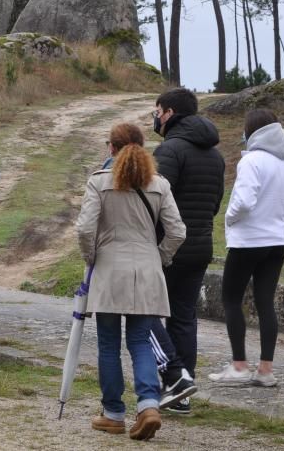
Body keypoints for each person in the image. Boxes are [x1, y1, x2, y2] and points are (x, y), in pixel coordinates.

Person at [76, 123, 186, 441]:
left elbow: (85, 229)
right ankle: (149, 404)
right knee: (141, 342)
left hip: (110, 270)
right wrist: (160, 257)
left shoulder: (99, 182)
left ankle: (112, 413)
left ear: (111, 148)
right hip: (148, 269)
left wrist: (91, 258)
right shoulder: (160, 184)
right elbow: (177, 231)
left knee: (109, 344)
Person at [149, 87, 225, 414]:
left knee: (145, 314)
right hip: (201, 245)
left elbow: (154, 202)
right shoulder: (216, 155)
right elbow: (215, 204)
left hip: (168, 246)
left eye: (157, 110)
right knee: (184, 318)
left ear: (169, 113)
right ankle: (184, 391)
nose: (154, 117)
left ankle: (174, 375)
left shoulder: (169, 150)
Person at [209, 109, 284, 387]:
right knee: (265, 302)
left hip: (248, 241)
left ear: (252, 132)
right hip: (278, 241)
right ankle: (266, 370)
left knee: (232, 299)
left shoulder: (251, 161)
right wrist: (276, 218)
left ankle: (238, 365)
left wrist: (230, 217)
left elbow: (244, 201)